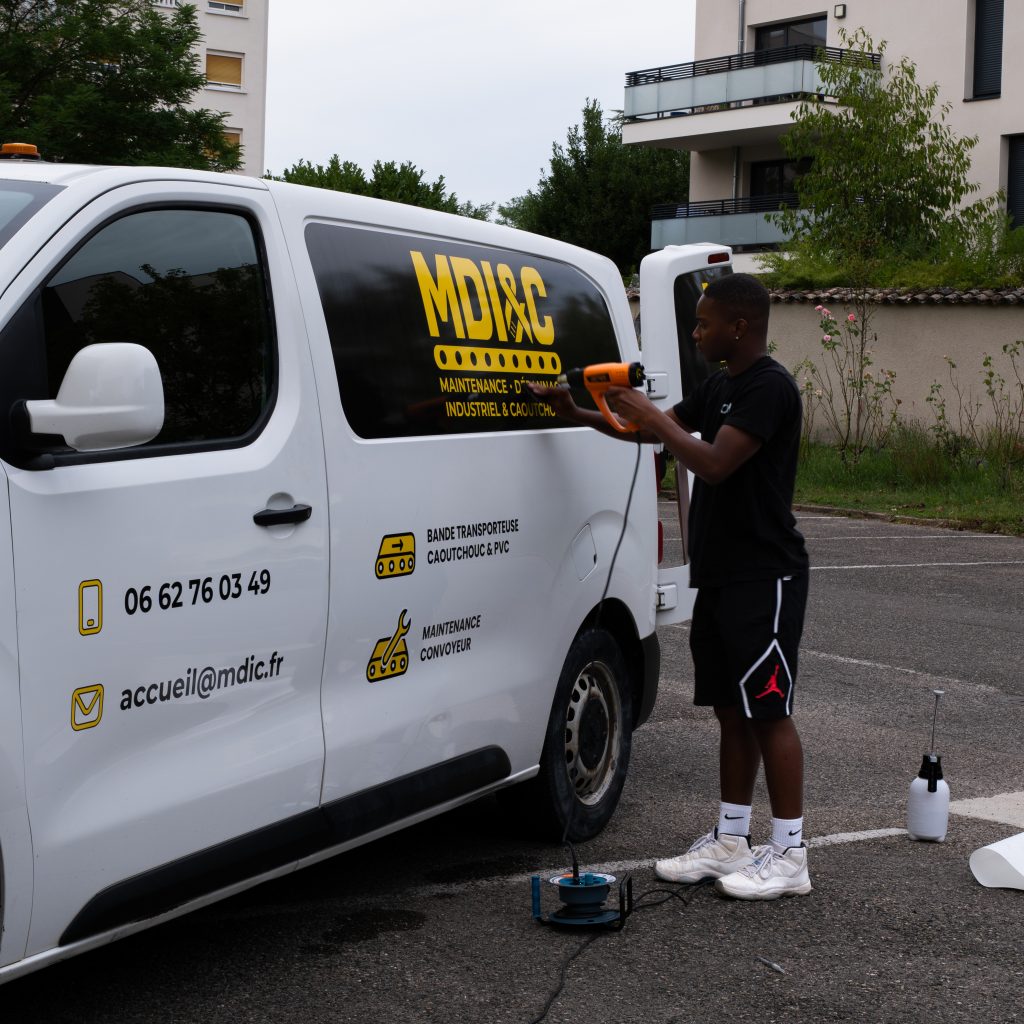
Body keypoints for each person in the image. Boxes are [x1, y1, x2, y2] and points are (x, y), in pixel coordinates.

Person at [528, 273, 811, 901]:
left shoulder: (769, 389)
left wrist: (653, 413)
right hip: (722, 576)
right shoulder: (720, 387)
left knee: (768, 710)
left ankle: (791, 854)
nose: (696, 330)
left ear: (739, 327)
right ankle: (732, 839)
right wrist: (575, 412)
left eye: (704, 322)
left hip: (765, 578)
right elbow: (649, 434)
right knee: (730, 710)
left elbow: (710, 462)